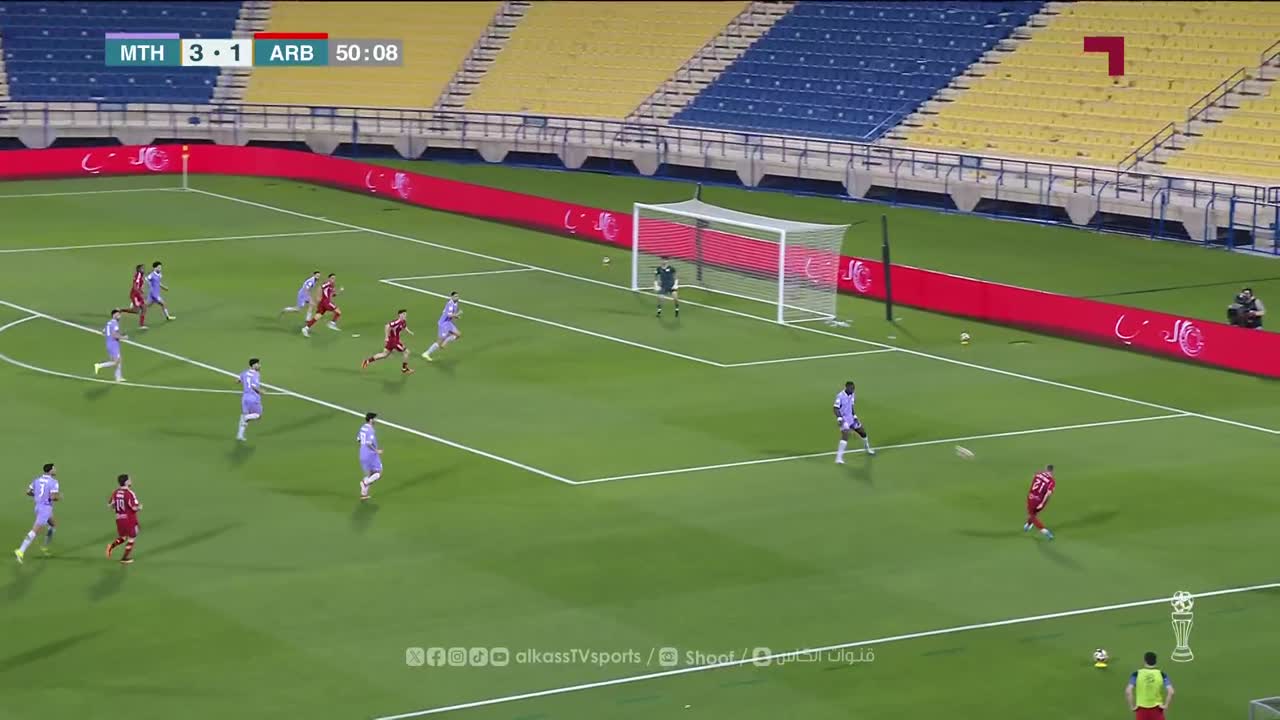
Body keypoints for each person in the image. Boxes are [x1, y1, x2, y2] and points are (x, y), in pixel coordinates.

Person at [14, 463, 59, 563]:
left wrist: (38, 495)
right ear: (50, 471)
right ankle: (20, 551)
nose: (55, 470)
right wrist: (58, 497)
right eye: (54, 468)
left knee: (53, 524)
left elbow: (28, 491)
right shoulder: (54, 482)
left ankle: (44, 546)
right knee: (34, 531)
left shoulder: (36, 480)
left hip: (38, 507)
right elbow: (53, 497)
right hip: (45, 509)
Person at [833, 380, 874, 463]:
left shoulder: (852, 395)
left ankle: (867, 449)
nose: (853, 390)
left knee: (863, 432)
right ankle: (838, 458)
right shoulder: (840, 396)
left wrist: (855, 417)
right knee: (845, 436)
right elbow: (835, 408)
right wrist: (840, 419)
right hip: (844, 420)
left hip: (851, 418)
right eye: (851, 388)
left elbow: (851, 407)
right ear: (846, 387)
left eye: (853, 388)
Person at [105, 473, 142, 565]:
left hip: (119, 519)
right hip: (129, 519)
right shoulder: (129, 493)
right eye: (129, 479)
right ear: (126, 482)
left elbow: (110, 505)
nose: (131, 481)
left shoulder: (115, 492)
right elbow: (134, 507)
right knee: (132, 538)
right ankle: (124, 558)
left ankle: (111, 546)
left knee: (123, 537)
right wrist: (139, 507)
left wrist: (117, 508)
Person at [363, 309, 414, 374]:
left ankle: (367, 361)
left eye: (405, 314)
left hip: (393, 341)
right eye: (403, 314)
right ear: (399, 315)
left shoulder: (403, 321)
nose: (405, 315)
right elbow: (387, 326)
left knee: (384, 354)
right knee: (406, 352)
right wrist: (386, 337)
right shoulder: (396, 322)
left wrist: (409, 331)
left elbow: (404, 326)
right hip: (394, 341)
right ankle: (404, 369)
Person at [1125, 651, 1174, 719]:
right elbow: (1171, 692)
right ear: (1155, 661)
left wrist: (1132, 706)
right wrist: (1166, 705)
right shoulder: (1162, 674)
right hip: (1157, 710)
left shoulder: (1136, 674)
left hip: (1141, 710)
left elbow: (1128, 691)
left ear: (1145, 661)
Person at [422, 292, 461, 361]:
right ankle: (426, 353)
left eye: (457, 296)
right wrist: (457, 315)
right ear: (451, 297)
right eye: (455, 296)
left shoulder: (456, 303)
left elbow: (451, 314)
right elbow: (449, 315)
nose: (457, 298)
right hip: (443, 324)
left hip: (448, 323)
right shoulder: (450, 304)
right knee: (439, 341)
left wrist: (456, 316)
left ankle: (445, 341)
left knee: (458, 334)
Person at [92, 309, 128, 383]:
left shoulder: (108, 323)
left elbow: (103, 331)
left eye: (120, 315)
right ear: (114, 315)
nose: (119, 316)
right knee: (116, 361)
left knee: (119, 359)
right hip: (113, 344)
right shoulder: (115, 323)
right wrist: (123, 337)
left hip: (109, 343)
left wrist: (110, 337)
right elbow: (114, 335)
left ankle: (118, 378)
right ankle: (99, 365)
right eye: (118, 315)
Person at [1024, 464, 1055, 540]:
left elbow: (1034, 475)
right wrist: (1042, 503)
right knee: (1033, 514)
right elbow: (1048, 493)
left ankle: (1044, 530)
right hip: (1041, 501)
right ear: (1052, 471)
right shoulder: (1052, 481)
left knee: (1032, 515)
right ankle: (1028, 524)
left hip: (1032, 498)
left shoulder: (1038, 474)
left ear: (1046, 469)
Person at [236, 358, 263, 441]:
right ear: (253, 365)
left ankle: (240, 435)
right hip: (253, 398)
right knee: (258, 415)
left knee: (246, 418)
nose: (259, 365)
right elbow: (254, 386)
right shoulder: (256, 374)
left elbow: (237, 380)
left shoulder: (244, 372)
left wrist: (244, 382)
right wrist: (261, 391)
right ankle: (245, 417)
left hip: (245, 398)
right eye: (258, 364)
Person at [358, 412, 383, 501]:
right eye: (375, 419)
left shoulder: (362, 428)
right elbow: (369, 443)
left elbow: (359, 439)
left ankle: (364, 494)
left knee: (370, 474)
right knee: (378, 473)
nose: (376, 420)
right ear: (371, 420)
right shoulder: (370, 430)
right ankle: (365, 482)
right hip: (370, 454)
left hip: (362, 453)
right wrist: (376, 451)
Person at [143, 260, 175, 327]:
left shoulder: (160, 274)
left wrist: (164, 287)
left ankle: (136, 307)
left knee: (146, 306)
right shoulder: (152, 275)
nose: (160, 268)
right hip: (154, 294)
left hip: (153, 294)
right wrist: (149, 285)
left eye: (160, 267)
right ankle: (168, 317)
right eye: (159, 267)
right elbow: (146, 279)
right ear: (155, 268)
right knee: (163, 304)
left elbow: (158, 283)